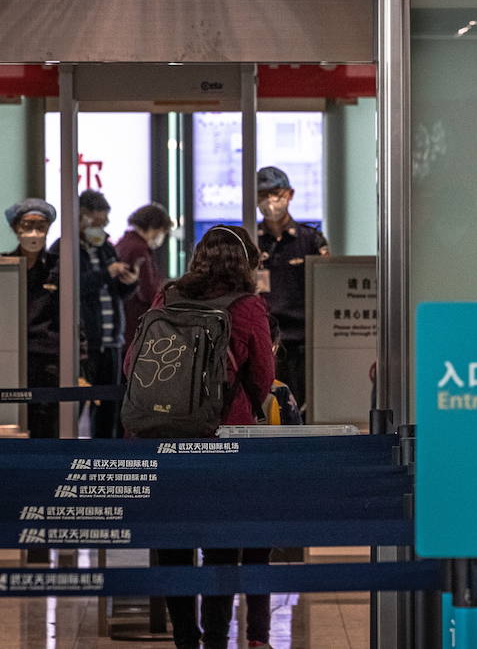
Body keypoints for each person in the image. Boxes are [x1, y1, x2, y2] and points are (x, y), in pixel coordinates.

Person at [127, 224, 276, 649]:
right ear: (247, 262)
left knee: (174, 544)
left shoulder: (168, 296)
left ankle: (185, 639)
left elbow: (132, 365)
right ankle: (215, 639)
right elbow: (262, 378)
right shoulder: (248, 306)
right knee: (221, 547)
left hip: (161, 438)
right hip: (223, 439)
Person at [50, 189, 138, 438]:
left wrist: (129, 282)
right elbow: (70, 288)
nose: (100, 228)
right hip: (84, 344)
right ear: (80, 218)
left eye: (104, 223)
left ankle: (106, 456)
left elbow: (118, 292)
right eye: (95, 222)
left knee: (109, 408)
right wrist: (105, 274)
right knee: (75, 405)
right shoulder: (63, 249)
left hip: (112, 342)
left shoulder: (106, 249)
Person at [255, 166, 328, 411]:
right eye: (262, 194)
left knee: (305, 409)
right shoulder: (252, 241)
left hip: (305, 342)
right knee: (269, 410)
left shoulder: (310, 240)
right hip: (266, 341)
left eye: (275, 193)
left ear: (290, 194)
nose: (269, 201)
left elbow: (328, 290)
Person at [0, 198, 60, 439]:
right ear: (15, 228)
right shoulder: (1, 265)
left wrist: (80, 363)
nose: (34, 232)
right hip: (9, 357)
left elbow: (73, 318)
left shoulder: (59, 267)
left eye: (41, 226)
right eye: (27, 225)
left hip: (48, 358)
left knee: (48, 423)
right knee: (14, 422)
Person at [115, 203, 175, 348]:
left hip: (125, 319)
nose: (161, 237)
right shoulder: (139, 249)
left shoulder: (125, 243)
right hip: (136, 320)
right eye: (162, 231)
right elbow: (148, 290)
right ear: (154, 227)